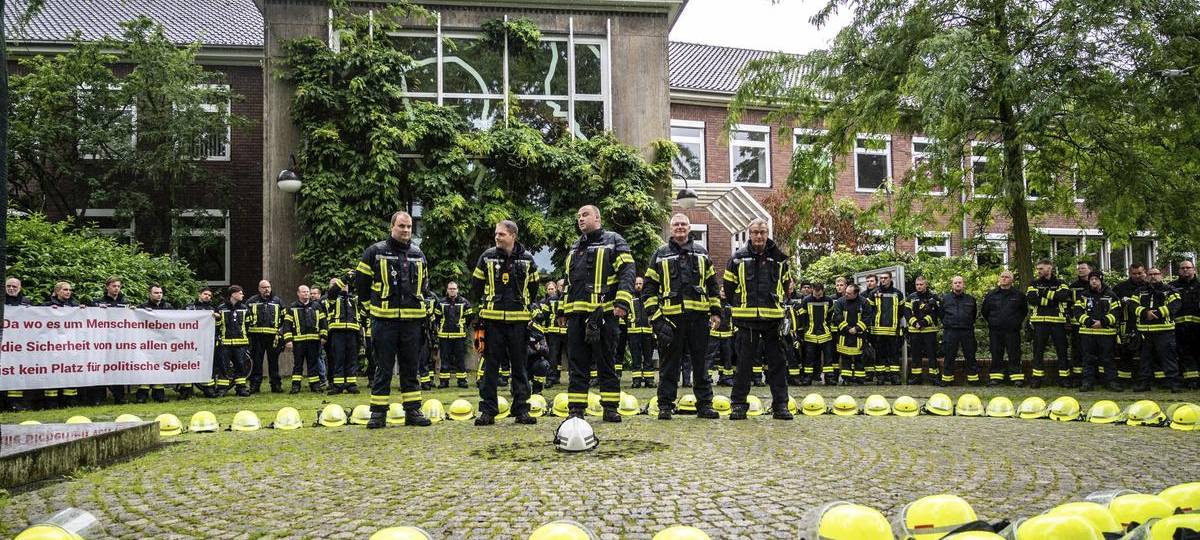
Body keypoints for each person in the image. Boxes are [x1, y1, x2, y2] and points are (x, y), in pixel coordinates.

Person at [355, 210, 433, 428]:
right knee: (384, 367)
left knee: (411, 367)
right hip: (384, 321)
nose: (406, 230)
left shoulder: (418, 254)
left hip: (412, 322)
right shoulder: (375, 252)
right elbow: (361, 285)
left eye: (409, 227)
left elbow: (425, 286)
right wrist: (373, 310)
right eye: (402, 226)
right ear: (392, 227)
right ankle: (378, 414)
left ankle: (413, 411)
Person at [560, 205, 635, 421]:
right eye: (578, 216)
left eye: (584, 215)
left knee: (606, 361)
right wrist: (563, 310)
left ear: (597, 217)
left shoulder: (614, 240)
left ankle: (610, 407)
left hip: (604, 314)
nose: (580, 219)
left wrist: (622, 301)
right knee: (577, 363)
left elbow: (628, 272)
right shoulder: (575, 246)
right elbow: (568, 282)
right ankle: (576, 409)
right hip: (576, 315)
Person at [643, 213, 721, 420]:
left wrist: (716, 312)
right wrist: (656, 318)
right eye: (676, 224)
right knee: (669, 365)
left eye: (683, 224)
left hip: (699, 319)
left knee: (701, 365)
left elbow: (713, 285)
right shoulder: (660, 254)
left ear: (689, 227)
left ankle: (705, 405)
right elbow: (649, 289)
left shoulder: (703, 253)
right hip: (670, 320)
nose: (679, 227)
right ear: (671, 228)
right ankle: (665, 406)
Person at [469, 220, 540, 426]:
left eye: (501, 234)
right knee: (490, 368)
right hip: (492, 321)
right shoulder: (487, 257)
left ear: (513, 236)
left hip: (519, 322)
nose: (497, 237)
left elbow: (534, 288)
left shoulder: (527, 259)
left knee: (520, 367)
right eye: (496, 234)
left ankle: (521, 410)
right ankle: (488, 412)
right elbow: (476, 286)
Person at [724, 219, 792, 420]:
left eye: (762, 232)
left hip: (773, 321)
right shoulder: (737, 258)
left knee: (777, 365)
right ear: (749, 234)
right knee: (743, 365)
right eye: (755, 232)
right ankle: (738, 405)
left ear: (767, 233)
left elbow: (787, 286)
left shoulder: (780, 259)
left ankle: (780, 406)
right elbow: (728, 290)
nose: (759, 236)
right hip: (746, 322)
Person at [1130, 267, 1183, 393]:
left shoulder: (1169, 290)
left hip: (1164, 331)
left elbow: (1176, 304)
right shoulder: (1139, 291)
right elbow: (1132, 305)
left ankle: (1174, 383)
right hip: (1144, 332)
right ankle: (1144, 383)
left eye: (1156, 274)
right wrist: (1145, 312)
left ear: (1161, 275)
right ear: (1146, 276)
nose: (1153, 276)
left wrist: (1158, 313)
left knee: (1168, 358)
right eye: (1150, 274)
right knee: (1145, 360)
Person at [1074, 271, 1122, 392]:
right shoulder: (1083, 295)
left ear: (1101, 280)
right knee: (1087, 359)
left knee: (1108, 359)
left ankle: (1111, 382)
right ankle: (1087, 382)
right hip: (1087, 334)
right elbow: (1078, 312)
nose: (1093, 281)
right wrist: (1089, 322)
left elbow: (1116, 313)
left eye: (1096, 279)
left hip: (1106, 334)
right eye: (1091, 279)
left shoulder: (1111, 295)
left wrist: (1103, 322)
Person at [1026, 259, 1071, 388]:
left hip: (1058, 323)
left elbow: (1063, 296)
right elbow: (1032, 299)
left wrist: (1043, 293)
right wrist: (1052, 300)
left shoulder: (1061, 283)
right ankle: (1037, 378)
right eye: (1037, 269)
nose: (1038, 271)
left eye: (1041, 268)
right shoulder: (1033, 284)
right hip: (1039, 322)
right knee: (1038, 352)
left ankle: (1064, 378)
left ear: (1049, 268)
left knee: (1062, 351)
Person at [981, 270, 1027, 386]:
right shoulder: (991, 295)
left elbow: (1023, 311)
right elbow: (985, 311)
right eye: (1002, 277)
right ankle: (996, 378)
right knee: (996, 353)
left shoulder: (1018, 295)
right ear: (999, 279)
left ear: (1012, 280)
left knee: (1014, 354)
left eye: (1007, 277)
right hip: (996, 330)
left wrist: (1016, 323)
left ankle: (1016, 377)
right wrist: (993, 322)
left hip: (1012, 331)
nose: (1004, 279)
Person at [91, 277, 131, 405]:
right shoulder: (97, 303)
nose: (116, 288)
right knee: (99, 369)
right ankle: (97, 398)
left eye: (118, 286)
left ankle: (119, 397)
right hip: (101, 342)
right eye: (114, 286)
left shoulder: (125, 303)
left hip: (119, 343)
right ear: (107, 287)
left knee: (118, 368)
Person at [41, 282, 82, 407]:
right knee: (53, 374)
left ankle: (70, 402)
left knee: (70, 373)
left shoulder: (76, 306)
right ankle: (51, 403)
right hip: (53, 346)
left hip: (71, 345)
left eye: (70, 290)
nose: (68, 292)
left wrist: (85, 311)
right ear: (57, 291)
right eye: (65, 289)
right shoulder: (46, 306)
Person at [321, 275, 362, 395]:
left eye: (346, 285)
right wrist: (345, 279)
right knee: (338, 359)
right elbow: (333, 292)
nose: (344, 287)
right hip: (337, 332)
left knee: (352, 359)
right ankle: (337, 385)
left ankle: (351, 384)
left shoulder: (354, 299)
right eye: (342, 285)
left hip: (353, 332)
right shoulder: (332, 298)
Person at [282, 285, 324, 394]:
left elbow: (323, 322)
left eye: (307, 292)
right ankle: (296, 386)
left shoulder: (316, 306)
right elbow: (287, 325)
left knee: (313, 364)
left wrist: (324, 336)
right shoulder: (292, 307)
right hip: (298, 342)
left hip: (313, 341)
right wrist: (288, 340)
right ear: (298, 293)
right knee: (298, 364)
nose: (306, 294)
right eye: (303, 292)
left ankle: (315, 385)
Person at [136, 284, 174, 403]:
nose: (159, 295)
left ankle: (159, 394)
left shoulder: (168, 307)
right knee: (146, 367)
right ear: (150, 294)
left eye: (160, 293)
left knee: (160, 367)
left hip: (163, 342)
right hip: (147, 342)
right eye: (156, 293)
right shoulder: (142, 307)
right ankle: (142, 394)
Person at [245, 280, 285, 394]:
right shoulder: (251, 301)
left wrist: (280, 332)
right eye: (264, 287)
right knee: (257, 362)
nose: (266, 289)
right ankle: (255, 386)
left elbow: (284, 318)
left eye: (268, 287)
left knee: (274, 362)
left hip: (273, 337)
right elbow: (246, 318)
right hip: (256, 337)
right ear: (259, 289)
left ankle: (276, 385)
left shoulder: (278, 301)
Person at [1112, 263, 1148, 386]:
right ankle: (1124, 380)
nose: (1137, 276)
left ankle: (1145, 380)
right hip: (1127, 325)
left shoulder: (1150, 287)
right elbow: (1112, 305)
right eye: (1134, 273)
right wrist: (1122, 303)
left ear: (1145, 272)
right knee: (1125, 353)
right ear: (1129, 273)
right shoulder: (1120, 288)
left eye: (1140, 273)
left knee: (1146, 354)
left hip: (1147, 325)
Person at [215, 285, 252, 397]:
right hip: (225, 343)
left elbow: (248, 325)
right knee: (224, 367)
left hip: (240, 344)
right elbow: (216, 326)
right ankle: (222, 389)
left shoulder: (245, 309)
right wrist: (217, 319)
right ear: (233, 294)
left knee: (240, 366)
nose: (242, 295)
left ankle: (241, 388)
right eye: (240, 293)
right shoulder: (221, 308)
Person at [940, 276, 978, 386]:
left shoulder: (970, 299)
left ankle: (973, 379)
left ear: (963, 284)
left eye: (960, 282)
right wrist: (948, 323)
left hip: (967, 331)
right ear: (952, 285)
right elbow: (941, 314)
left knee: (970, 355)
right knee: (949, 355)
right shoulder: (945, 299)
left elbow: (973, 314)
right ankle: (947, 379)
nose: (958, 284)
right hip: (951, 331)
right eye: (955, 282)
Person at [833, 283, 873, 385]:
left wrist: (857, 328)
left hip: (859, 335)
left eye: (849, 293)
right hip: (844, 335)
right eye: (846, 292)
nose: (846, 294)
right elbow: (837, 317)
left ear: (856, 294)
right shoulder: (840, 302)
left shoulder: (864, 302)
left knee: (859, 358)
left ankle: (859, 379)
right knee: (845, 358)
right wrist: (847, 329)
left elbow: (867, 317)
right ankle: (846, 378)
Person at [904, 276, 941, 385]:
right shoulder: (910, 297)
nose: (919, 286)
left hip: (929, 331)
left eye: (921, 284)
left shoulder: (933, 297)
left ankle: (934, 377)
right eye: (917, 285)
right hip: (915, 331)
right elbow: (907, 312)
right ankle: (916, 377)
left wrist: (923, 322)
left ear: (926, 285)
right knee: (915, 356)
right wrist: (915, 323)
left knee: (932, 355)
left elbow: (935, 313)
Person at [867, 272, 902, 384]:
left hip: (893, 330)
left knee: (894, 354)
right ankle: (881, 377)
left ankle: (894, 376)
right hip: (878, 330)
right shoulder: (873, 293)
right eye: (881, 278)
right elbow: (869, 311)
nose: (883, 280)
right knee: (880, 354)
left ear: (890, 279)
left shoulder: (898, 294)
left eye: (885, 278)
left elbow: (901, 311)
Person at [434, 281, 471, 388]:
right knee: (444, 359)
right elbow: (437, 317)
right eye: (450, 289)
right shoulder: (441, 303)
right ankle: (444, 381)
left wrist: (462, 326)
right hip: (444, 335)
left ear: (457, 290)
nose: (452, 291)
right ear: (447, 290)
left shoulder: (464, 302)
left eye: (454, 289)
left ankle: (462, 381)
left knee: (460, 359)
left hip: (459, 335)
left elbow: (469, 317)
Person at [183, 287, 218, 399]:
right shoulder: (189, 308)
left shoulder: (213, 309)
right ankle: (186, 390)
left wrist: (218, 317)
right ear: (199, 294)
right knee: (188, 364)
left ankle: (208, 388)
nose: (207, 296)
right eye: (205, 294)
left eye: (209, 295)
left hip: (206, 342)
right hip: (190, 342)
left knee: (206, 365)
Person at [4, 278, 32, 410]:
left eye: (14, 286)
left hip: (20, 346)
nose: (11, 288)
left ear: (20, 288)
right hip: (4, 344)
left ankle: (17, 404)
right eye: (8, 286)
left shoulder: (27, 303)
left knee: (18, 374)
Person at [799, 283, 835, 386]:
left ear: (823, 291)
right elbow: (803, 317)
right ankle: (807, 378)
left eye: (819, 295)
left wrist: (827, 326)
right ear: (812, 290)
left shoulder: (829, 300)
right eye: (815, 294)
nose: (818, 297)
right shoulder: (806, 300)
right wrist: (806, 330)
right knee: (809, 358)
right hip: (810, 334)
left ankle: (829, 378)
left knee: (828, 358)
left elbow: (830, 315)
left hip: (825, 333)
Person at [1064, 261, 1093, 387]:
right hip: (1077, 325)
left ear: (1090, 270)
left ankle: (1093, 376)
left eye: (1083, 268)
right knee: (1077, 351)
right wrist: (1068, 320)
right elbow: (1067, 305)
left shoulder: (1096, 284)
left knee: (1092, 351)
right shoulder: (1073, 286)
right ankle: (1077, 377)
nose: (1080, 270)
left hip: (1094, 324)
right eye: (1079, 268)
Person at [1172, 259, 1200, 389]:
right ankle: (1192, 380)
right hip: (1180, 328)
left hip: (1197, 327)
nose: (1185, 270)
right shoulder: (1172, 287)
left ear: (1194, 269)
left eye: (1188, 267)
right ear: (1178, 271)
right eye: (1182, 268)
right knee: (1185, 354)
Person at [626, 276, 655, 389]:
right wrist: (631, 319)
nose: (638, 285)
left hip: (647, 331)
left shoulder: (647, 298)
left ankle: (649, 380)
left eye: (640, 283)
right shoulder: (630, 298)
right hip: (633, 331)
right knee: (636, 357)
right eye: (636, 283)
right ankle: (636, 380)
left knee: (648, 357)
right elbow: (625, 313)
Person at [708, 289, 736, 387]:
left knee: (727, 358)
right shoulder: (714, 303)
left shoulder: (730, 303)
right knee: (710, 357)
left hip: (727, 335)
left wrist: (733, 330)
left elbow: (733, 318)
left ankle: (726, 378)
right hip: (714, 334)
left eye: (725, 291)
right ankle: (707, 377)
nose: (723, 292)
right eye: (721, 291)